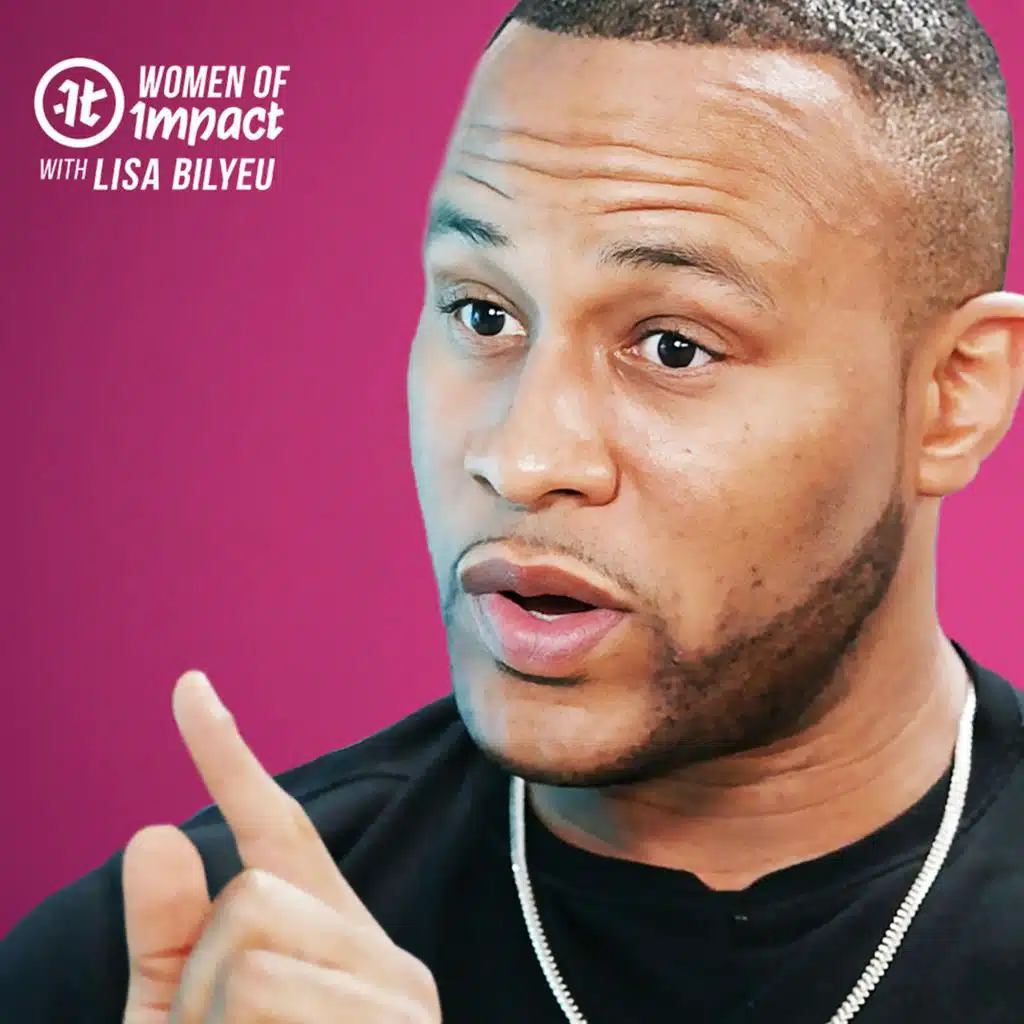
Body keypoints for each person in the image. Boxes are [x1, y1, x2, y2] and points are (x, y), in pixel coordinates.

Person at [4, 0, 1024, 1020]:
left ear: (953, 396)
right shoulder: (165, 968)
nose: (524, 459)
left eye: (673, 346)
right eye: (482, 313)